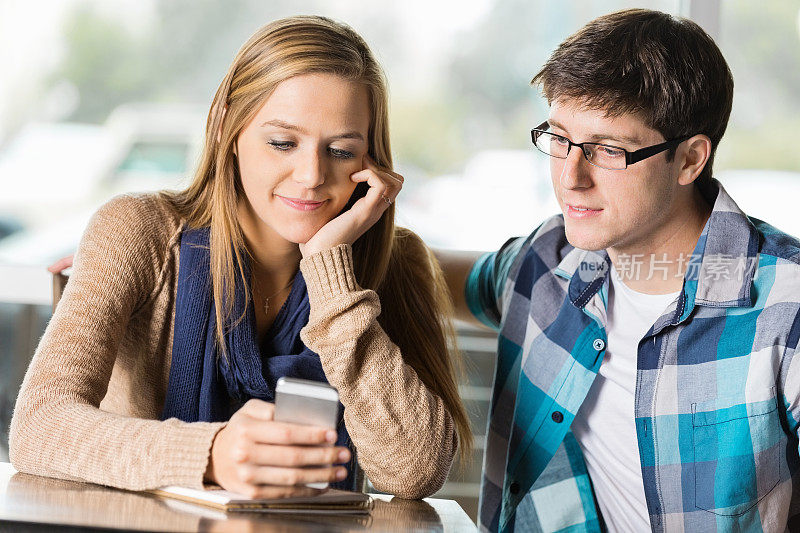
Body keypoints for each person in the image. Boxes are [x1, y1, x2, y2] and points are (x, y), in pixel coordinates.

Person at [9, 15, 471, 500]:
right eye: (282, 143)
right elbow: (38, 424)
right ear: (227, 126)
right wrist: (210, 454)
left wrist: (331, 271)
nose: (311, 175)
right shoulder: (139, 231)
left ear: (369, 160)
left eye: (339, 150)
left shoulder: (398, 263)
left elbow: (416, 471)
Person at [438, 8, 800, 532]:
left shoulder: (785, 310)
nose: (570, 178)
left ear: (689, 160)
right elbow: (426, 273)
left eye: (608, 150)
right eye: (559, 139)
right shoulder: (547, 258)